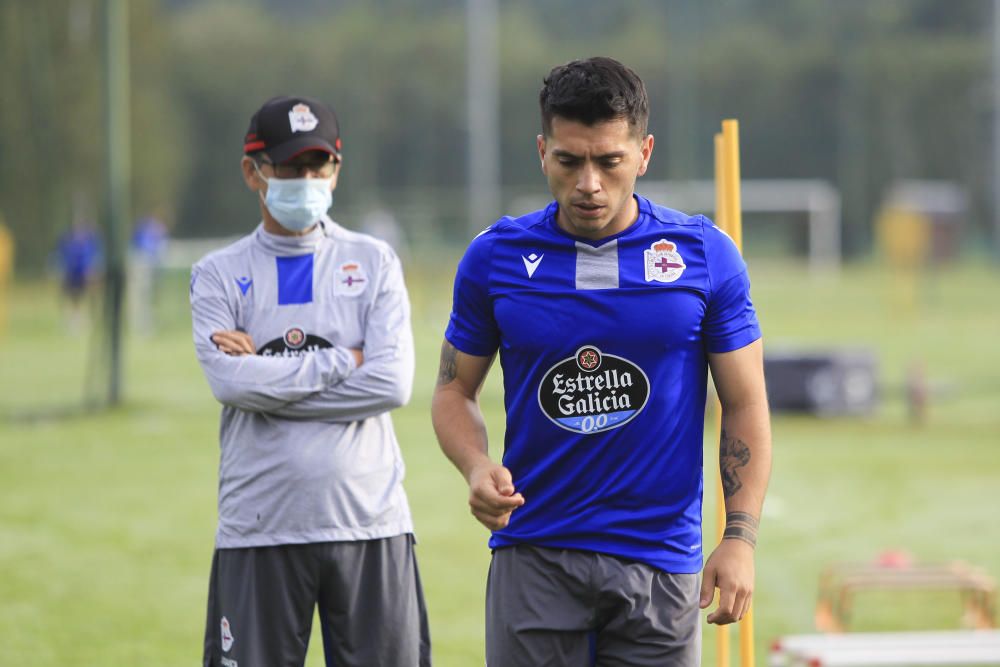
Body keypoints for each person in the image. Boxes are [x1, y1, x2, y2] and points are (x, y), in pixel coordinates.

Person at [432, 57, 772, 666]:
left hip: (659, 565)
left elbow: (746, 404)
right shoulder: (494, 258)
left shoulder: (704, 256)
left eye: (608, 161)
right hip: (534, 556)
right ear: (542, 151)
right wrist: (475, 464)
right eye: (569, 160)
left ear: (643, 153)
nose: (588, 182)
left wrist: (739, 538)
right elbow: (453, 391)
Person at [190, 95, 430, 667]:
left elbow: (393, 383)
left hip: (370, 524)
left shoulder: (374, 262)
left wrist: (267, 380)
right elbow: (230, 384)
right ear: (254, 172)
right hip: (260, 526)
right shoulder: (217, 273)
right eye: (290, 168)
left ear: (336, 171)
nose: (306, 180)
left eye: (317, 167)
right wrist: (345, 360)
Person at [54, 218, 102, 332]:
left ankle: (83, 321)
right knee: (71, 298)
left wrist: (92, 272)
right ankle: (72, 321)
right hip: (71, 275)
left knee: (85, 298)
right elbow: (63, 258)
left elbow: (91, 260)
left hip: (83, 276)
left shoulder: (88, 245)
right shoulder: (68, 243)